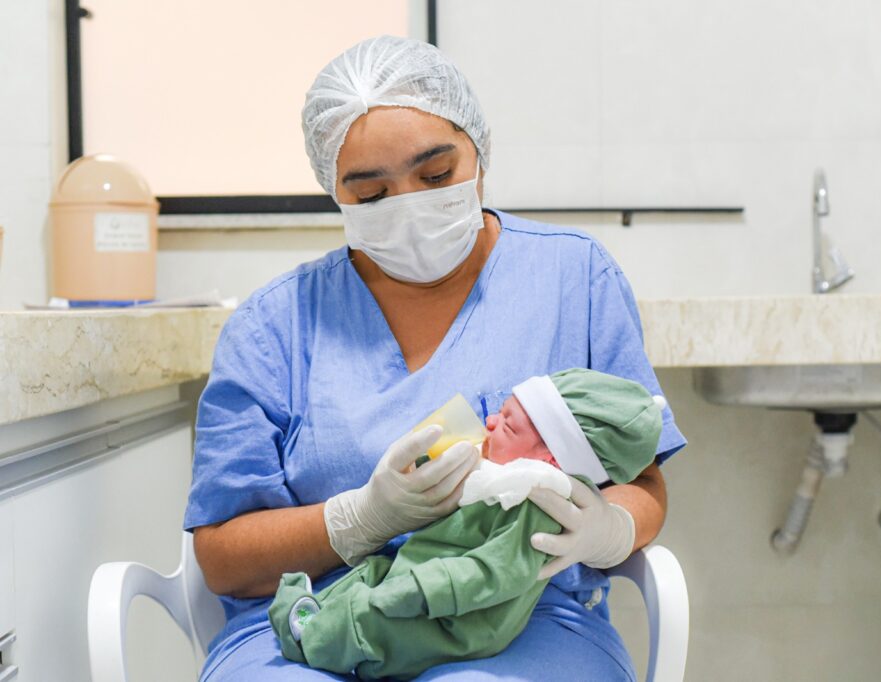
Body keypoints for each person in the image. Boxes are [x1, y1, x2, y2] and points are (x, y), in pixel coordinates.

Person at [185, 34, 686, 681]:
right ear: (334, 191)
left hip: (519, 616)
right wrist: (359, 520)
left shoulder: (573, 278)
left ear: (480, 150)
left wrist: (609, 530)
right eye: (372, 194)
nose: (410, 207)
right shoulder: (272, 326)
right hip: (315, 620)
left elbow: (641, 484)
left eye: (436, 175)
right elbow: (224, 560)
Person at [268, 369, 666, 680]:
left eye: (507, 425)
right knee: (370, 573)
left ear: (550, 461)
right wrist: (368, 514)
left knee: (372, 619)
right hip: (418, 575)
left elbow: (495, 572)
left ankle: (312, 638)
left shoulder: (538, 508)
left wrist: (422, 587)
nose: (489, 420)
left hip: (458, 616)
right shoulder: (497, 479)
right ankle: (317, 608)